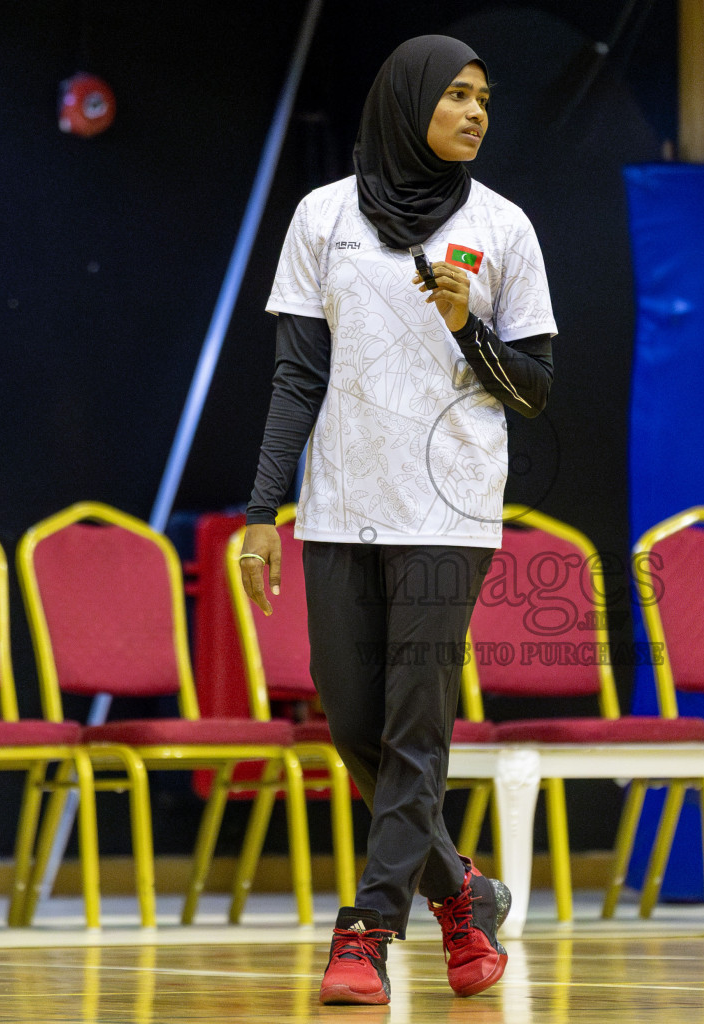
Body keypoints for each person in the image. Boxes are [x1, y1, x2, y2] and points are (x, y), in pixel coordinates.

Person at [239, 34, 557, 1006]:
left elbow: (534, 389)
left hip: (447, 512)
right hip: (337, 507)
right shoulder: (322, 216)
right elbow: (297, 374)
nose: (473, 113)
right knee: (354, 722)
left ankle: (367, 930)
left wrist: (468, 324)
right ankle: (461, 895)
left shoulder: (502, 228)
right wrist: (263, 511)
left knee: (417, 729)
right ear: (405, 101)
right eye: (455, 95)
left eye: (484, 99)